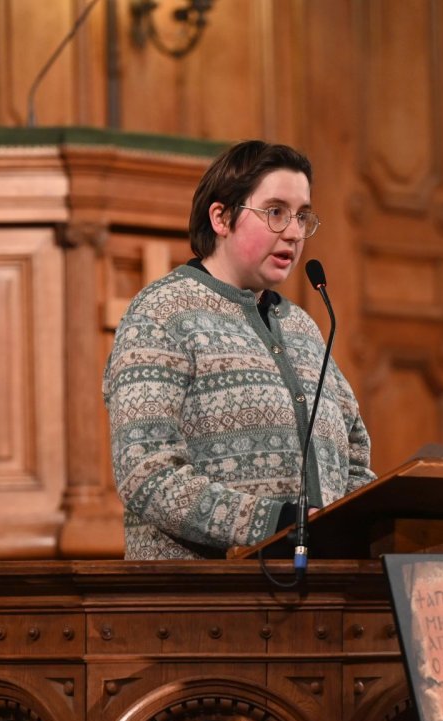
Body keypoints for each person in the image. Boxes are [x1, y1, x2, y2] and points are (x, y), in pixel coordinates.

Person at [103, 140, 376, 559]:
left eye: (302, 216)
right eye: (275, 212)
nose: (294, 232)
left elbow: (354, 458)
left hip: (319, 595)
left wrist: (362, 530)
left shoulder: (302, 326)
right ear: (221, 217)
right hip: (201, 604)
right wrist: (278, 524)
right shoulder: (162, 314)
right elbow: (147, 472)